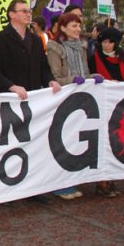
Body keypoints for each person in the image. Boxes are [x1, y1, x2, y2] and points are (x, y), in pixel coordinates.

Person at [0, 0, 61, 204]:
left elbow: (43, 66)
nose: (28, 14)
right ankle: (4, 188)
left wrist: (51, 80)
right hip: (8, 101)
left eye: (29, 11)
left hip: (32, 100)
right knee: (8, 144)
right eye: (24, 11)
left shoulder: (36, 40)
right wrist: (11, 86)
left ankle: (32, 187)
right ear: (11, 14)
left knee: (32, 143)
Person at [46, 13, 103, 200]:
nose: (78, 29)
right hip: (62, 101)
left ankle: (73, 179)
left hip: (80, 100)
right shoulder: (55, 48)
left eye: (79, 26)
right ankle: (60, 184)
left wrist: (92, 76)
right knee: (63, 141)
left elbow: (84, 72)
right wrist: (72, 80)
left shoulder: (81, 47)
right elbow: (54, 77)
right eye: (73, 26)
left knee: (77, 141)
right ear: (62, 28)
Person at [88, 27, 124, 198]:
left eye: (110, 42)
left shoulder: (123, 58)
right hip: (100, 103)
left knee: (115, 140)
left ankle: (111, 178)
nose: (106, 45)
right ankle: (101, 181)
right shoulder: (93, 57)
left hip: (118, 103)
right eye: (104, 41)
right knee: (101, 140)